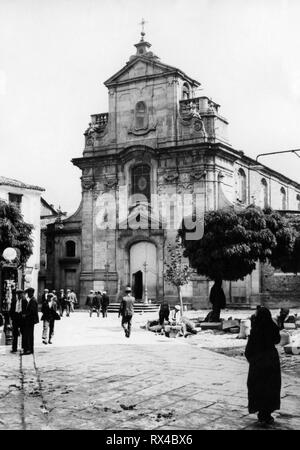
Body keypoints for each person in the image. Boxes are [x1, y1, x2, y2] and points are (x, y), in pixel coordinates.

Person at [245, 306, 281, 426]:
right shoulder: (272, 327)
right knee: (271, 388)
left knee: (258, 388)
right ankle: (267, 414)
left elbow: (248, 351)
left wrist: (253, 361)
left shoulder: (256, 330)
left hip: (258, 363)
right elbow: (277, 340)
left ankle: (261, 413)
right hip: (271, 361)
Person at [22, 287, 39, 355]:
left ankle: (29, 350)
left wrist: (25, 315)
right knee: (29, 335)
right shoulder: (32, 300)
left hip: (30, 321)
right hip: (30, 321)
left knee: (29, 335)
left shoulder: (33, 301)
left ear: (31, 293)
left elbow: (32, 311)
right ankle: (30, 349)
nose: (27, 294)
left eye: (28, 293)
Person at [9, 289, 27, 353]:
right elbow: (11, 310)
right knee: (15, 334)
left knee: (23, 334)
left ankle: (24, 347)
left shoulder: (25, 301)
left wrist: (25, 315)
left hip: (22, 319)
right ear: (17, 295)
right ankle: (14, 348)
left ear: (22, 294)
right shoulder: (14, 301)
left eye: (20, 294)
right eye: (18, 294)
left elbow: (27, 310)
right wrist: (11, 318)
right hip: (15, 319)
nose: (19, 295)